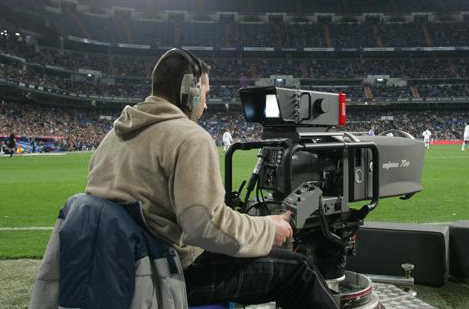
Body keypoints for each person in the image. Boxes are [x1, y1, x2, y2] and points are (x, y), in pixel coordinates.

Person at [85, 49, 339, 309]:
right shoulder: (189, 137)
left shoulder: (112, 138)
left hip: (115, 271)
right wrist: (268, 228)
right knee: (299, 271)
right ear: (190, 91)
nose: (206, 105)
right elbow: (205, 226)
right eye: (205, 94)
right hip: (167, 275)